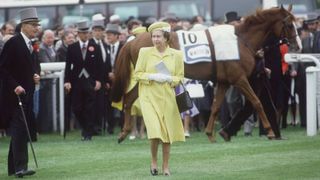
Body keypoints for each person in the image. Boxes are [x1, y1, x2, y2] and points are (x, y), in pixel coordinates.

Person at [134, 21, 185, 176]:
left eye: (159, 36)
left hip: (168, 98)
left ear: (166, 37)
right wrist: (152, 76)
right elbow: (137, 74)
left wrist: (170, 80)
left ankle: (166, 167)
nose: (155, 39)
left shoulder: (177, 55)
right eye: (154, 36)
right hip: (148, 96)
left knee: (167, 134)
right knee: (155, 131)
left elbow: (180, 78)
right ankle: (154, 161)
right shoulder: (144, 52)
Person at [0, 8, 41, 178]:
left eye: (37, 25)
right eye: (33, 25)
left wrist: (35, 75)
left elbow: (28, 67)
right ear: (24, 25)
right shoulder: (14, 42)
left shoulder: (30, 44)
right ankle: (20, 167)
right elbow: (2, 68)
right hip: (14, 95)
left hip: (28, 94)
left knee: (22, 129)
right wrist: (15, 85)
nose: (36, 28)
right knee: (19, 129)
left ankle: (14, 168)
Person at [64, 20, 104, 141]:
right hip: (76, 81)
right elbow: (68, 66)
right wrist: (67, 81)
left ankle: (88, 133)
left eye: (87, 33)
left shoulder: (95, 47)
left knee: (90, 108)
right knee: (77, 108)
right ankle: (85, 127)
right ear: (78, 34)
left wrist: (98, 80)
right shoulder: (72, 48)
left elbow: (100, 66)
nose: (85, 35)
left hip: (90, 81)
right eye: (83, 33)